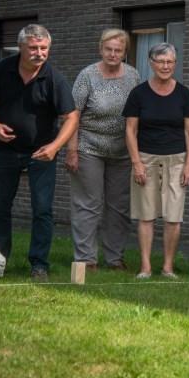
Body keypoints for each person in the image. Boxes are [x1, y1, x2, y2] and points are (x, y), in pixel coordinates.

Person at [0, 24, 79, 281]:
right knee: (0, 206)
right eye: (33, 48)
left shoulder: (54, 78)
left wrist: (55, 147)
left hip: (41, 153)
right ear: (21, 47)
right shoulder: (2, 69)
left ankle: (39, 265)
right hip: (6, 150)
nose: (39, 53)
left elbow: (71, 117)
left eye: (44, 48)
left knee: (42, 209)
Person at [65, 29, 140, 272]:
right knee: (89, 204)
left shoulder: (133, 76)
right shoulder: (87, 75)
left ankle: (115, 258)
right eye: (108, 49)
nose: (113, 54)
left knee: (119, 207)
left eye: (118, 50)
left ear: (125, 53)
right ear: (100, 49)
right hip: (89, 148)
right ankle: (86, 259)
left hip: (122, 151)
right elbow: (72, 115)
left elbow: (136, 114)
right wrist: (72, 150)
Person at [123, 42, 189, 279]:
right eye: (161, 61)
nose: (166, 66)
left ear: (175, 64)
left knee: (173, 216)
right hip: (146, 158)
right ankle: (145, 267)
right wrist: (136, 163)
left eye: (170, 62)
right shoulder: (138, 93)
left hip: (177, 160)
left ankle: (167, 267)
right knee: (146, 215)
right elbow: (130, 131)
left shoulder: (184, 94)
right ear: (151, 63)